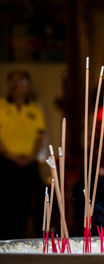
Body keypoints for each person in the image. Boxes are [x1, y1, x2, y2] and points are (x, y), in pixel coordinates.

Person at [0, 70, 45, 239]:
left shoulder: (35, 109)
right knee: (6, 203)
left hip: (28, 164)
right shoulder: (1, 105)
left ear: (27, 86)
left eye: (21, 81)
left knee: (26, 204)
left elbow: (39, 137)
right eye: (12, 81)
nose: (16, 85)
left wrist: (31, 156)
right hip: (5, 162)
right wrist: (9, 155)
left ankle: (21, 240)